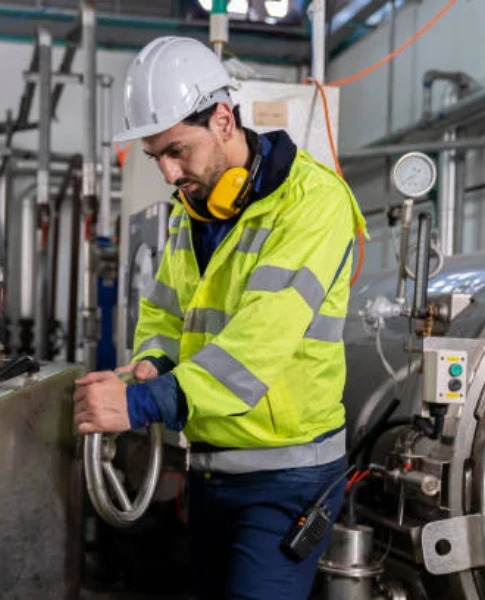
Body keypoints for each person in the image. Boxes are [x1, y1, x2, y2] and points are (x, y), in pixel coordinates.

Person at [73, 36, 366, 599]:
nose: (166, 171)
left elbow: (256, 347)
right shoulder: (197, 207)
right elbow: (163, 308)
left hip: (287, 476)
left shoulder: (313, 205)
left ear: (224, 119)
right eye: (156, 155)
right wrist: (152, 363)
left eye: (176, 150)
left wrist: (138, 404)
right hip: (212, 470)